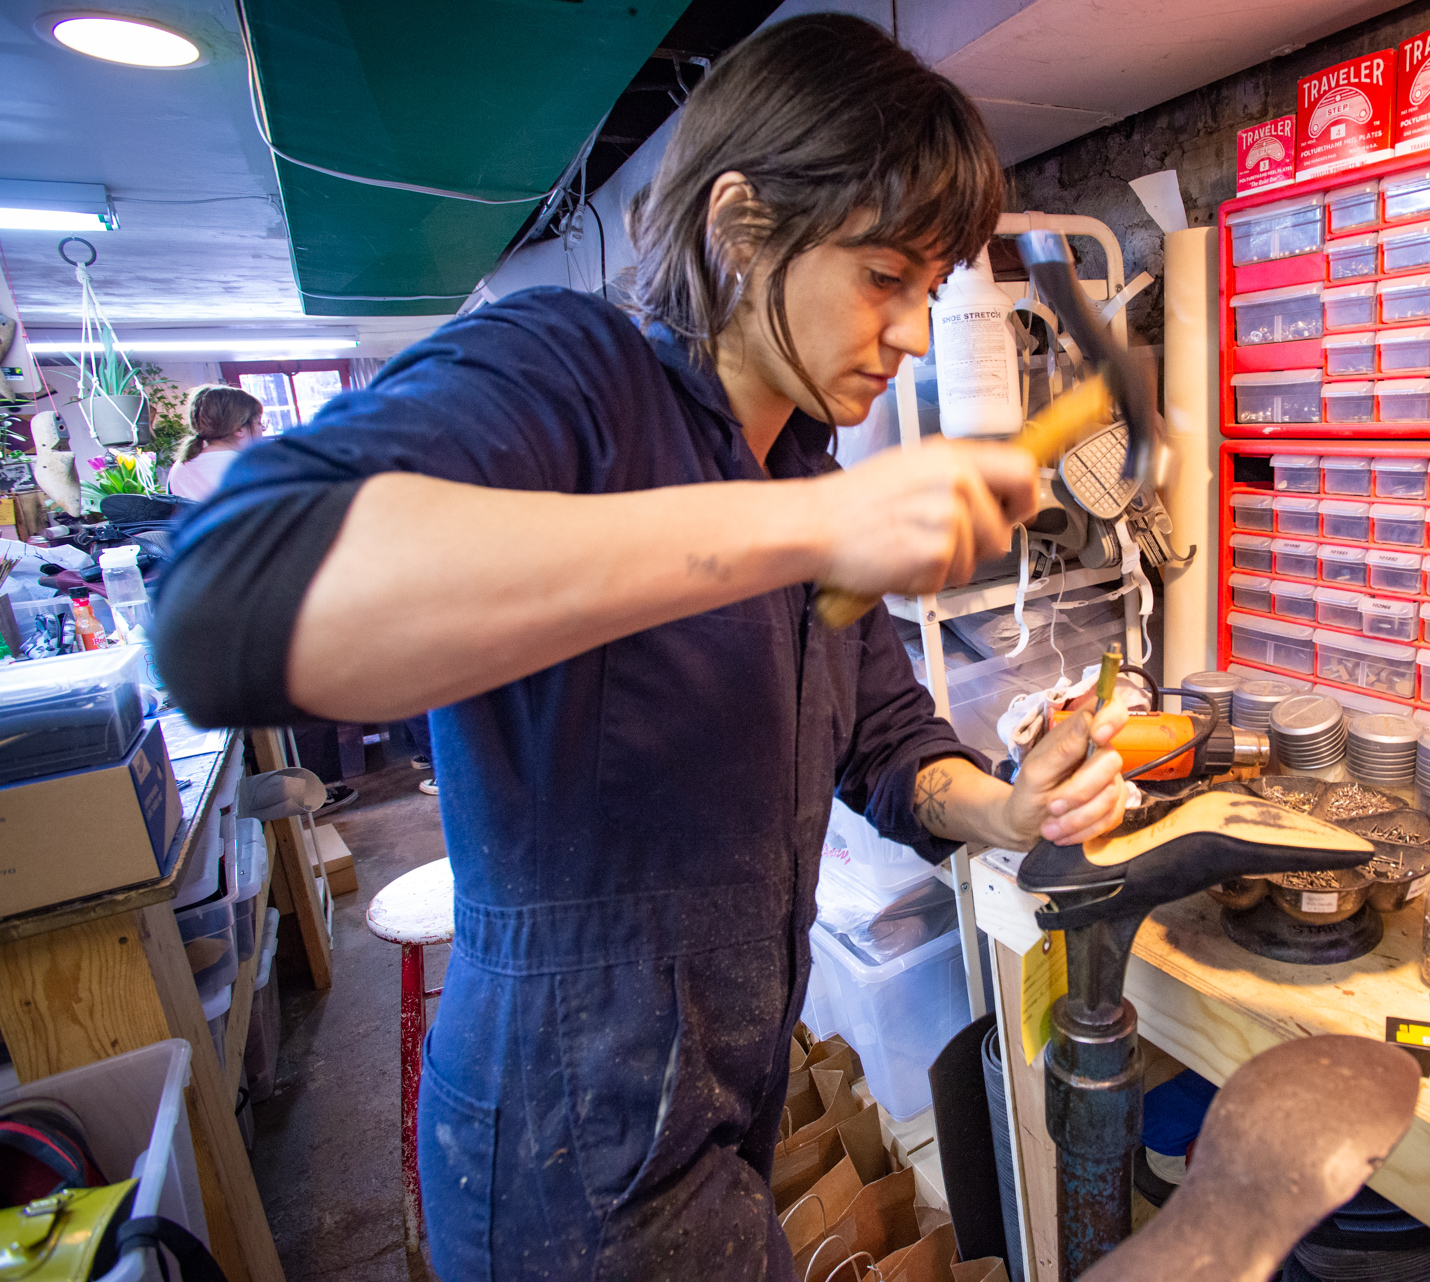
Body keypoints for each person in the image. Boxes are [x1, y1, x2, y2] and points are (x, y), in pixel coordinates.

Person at [153, 15, 1131, 1279]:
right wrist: (801, 524)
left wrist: (1006, 810)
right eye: (883, 276)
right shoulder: (573, 375)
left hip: (716, 1121)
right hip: (561, 1161)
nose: (903, 333)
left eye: (926, 291)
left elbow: (886, 745)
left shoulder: (802, 473)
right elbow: (232, 597)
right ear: (739, 227)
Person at [166, 384, 262, 501]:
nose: (262, 429)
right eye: (258, 422)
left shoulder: (179, 467)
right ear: (239, 429)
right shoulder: (245, 466)